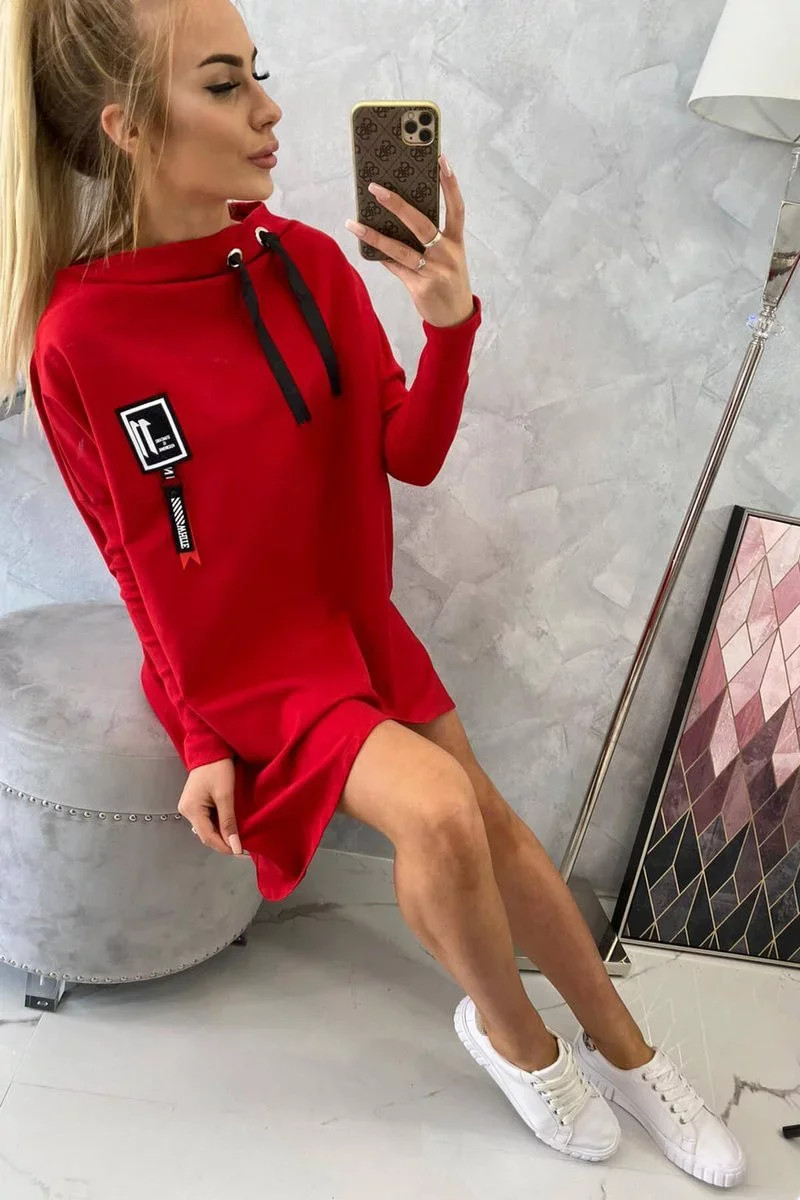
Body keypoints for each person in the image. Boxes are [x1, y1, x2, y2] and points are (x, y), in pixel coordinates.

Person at [0, 0, 745, 1188]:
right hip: (249, 670)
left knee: (491, 824)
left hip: (352, 622)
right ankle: (518, 1042)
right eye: (224, 83)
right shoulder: (78, 339)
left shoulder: (302, 265)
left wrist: (447, 324)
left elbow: (410, 453)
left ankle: (628, 1053)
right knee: (440, 812)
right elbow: (132, 562)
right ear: (126, 127)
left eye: (258, 73)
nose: (269, 108)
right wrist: (199, 735)